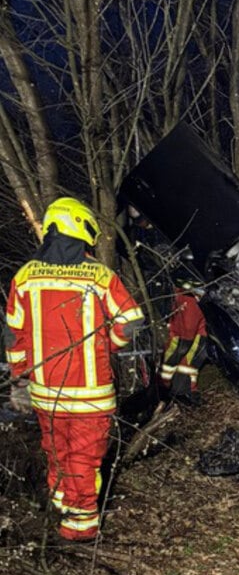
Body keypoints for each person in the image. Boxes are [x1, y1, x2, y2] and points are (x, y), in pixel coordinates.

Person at [4, 197, 144, 541]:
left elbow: (13, 335)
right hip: (90, 397)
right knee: (83, 462)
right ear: (81, 228)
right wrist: (105, 345)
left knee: (58, 456)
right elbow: (130, 322)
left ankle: (61, 515)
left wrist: (20, 378)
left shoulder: (24, 277)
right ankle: (80, 531)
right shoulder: (98, 275)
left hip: (44, 394)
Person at [159, 277, 207, 404]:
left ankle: (184, 389)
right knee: (181, 345)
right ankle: (162, 387)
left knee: (199, 350)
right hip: (189, 295)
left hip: (210, 298)